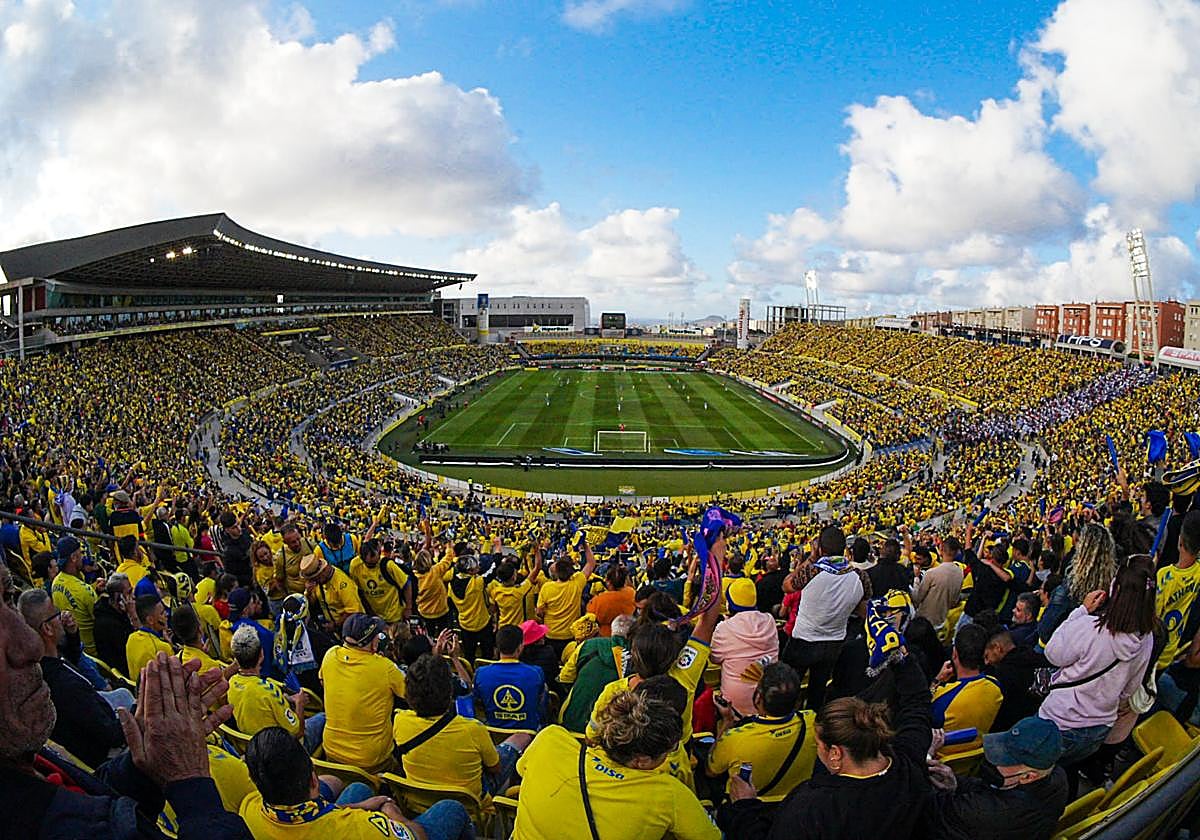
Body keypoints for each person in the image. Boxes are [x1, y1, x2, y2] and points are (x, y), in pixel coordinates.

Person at [0, 556, 251, 839]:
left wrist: (141, 767)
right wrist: (191, 784)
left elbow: (92, 795)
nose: (31, 644)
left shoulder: (23, 756)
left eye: (8, 597)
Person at [719, 655, 931, 840]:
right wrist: (900, 658)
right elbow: (917, 704)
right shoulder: (910, 764)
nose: (816, 747)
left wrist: (745, 806)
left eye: (818, 744)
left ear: (836, 753)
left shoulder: (812, 807)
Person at [513, 691, 720, 840]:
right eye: (670, 751)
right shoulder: (668, 794)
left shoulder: (551, 739)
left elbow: (521, 769)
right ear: (642, 760)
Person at [240, 727, 473, 840]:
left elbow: (310, 817)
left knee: (358, 789)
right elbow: (415, 837)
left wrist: (357, 807)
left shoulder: (247, 808)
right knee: (452, 809)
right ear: (313, 780)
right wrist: (391, 810)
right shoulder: (361, 830)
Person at [1039, 555, 1156, 767]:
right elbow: (1129, 689)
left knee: (1042, 769)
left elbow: (1052, 653)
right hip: (1099, 726)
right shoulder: (1146, 639)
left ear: (1116, 590)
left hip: (1061, 721)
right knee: (1067, 769)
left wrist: (1081, 611)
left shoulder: (1091, 627)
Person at [393, 654, 531, 802]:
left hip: (419, 800)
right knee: (523, 737)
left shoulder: (400, 720)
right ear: (450, 691)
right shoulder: (472, 729)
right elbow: (495, 768)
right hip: (469, 805)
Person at [18, 587, 127, 769]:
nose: (62, 618)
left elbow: (70, 659)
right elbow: (111, 734)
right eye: (56, 614)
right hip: (110, 758)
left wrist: (72, 634)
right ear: (47, 628)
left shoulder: (42, 663)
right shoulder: (66, 686)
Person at [924, 716, 1069, 840]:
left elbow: (925, 807)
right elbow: (988, 790)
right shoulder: (1057, 776)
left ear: (1028, 776)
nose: (992, 760)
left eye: (1004, 759)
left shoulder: (983, 812)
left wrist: (925, 758)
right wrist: (957, 784)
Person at [782, 525, 871, 711]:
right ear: (844, 549)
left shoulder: (812, 571)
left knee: (787, 687)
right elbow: (863, 611)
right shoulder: (861, 577)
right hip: (834, 643)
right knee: (817, 690)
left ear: (820, 548)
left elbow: (787, 585)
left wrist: (811, 558)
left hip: (803, 641)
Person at [706, 662, 816, 804]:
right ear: (798, 700)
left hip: (747, 808)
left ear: (758, 698)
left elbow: (711, 771)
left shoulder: (735, 738)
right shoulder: (812, 721)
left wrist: (727, 722)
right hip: (795, 801)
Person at [319, 613, 406, 772]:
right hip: (371, 761)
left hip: (331, 752)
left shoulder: (330, 655)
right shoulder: (384, 668)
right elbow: (413, 694)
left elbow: (323, 681)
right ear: (374, 643)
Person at [228, 625, 324, 755]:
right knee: (324, 717)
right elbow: (298, 732)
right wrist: (299, 704)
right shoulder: (269, 691)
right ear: (261, 654)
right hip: (282, 753)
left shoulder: (231, 684)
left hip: (254, 749)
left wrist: (285, 699)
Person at [930, 623, 1003, 756]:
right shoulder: (996, 687)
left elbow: (921, 715)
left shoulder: (942, 698)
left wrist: (937, 681)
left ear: (954, 654)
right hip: (974, 758)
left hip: (938, 760)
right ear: (985, 655)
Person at [710, 577, 779, 718]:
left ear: (730, 603)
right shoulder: (769, 620)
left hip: (734, 707)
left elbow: (714, 658)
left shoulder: (724, 628)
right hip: (769, 700)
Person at [559, 613, 633, 733]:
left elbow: (565, 678)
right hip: (609, 730)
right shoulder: (638, 656)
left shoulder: (587, 646)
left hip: (572, 719)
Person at [474, 624, 547, 730]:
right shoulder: (535, 672)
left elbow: (477, 701)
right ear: (520, 647)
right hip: (529, 733)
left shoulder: (481, 673)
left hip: (494, 731)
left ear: (497, 648)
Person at [537, 539, 598, 659]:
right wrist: (584, 543)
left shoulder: (547, 587)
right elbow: (591, 563)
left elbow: (539, 612)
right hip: (571, 634)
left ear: (557, 572)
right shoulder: (577, 582)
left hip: (551, 634)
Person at [50, 536, 99, 655]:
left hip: (75, 646)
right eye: (80, 554)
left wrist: (95, 587)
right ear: (73, 557)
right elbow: (100, 621)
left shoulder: (55, 582)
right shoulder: (84, 591)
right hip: (93, 650)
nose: (82, 557)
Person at [349, 537, 411, 628]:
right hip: (375, 616)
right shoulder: (355, 566)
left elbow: (407, 584)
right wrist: (369, 611)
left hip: (394, 615)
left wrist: (408, 608)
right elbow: (359, 591)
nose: (372, 566)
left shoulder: (388, 565)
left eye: (374, 563)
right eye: (369, 564)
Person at [301, 553, 363, 635]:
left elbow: (353, 611)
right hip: (335, 630)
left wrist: (335, 625)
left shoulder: (342, 584)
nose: (314, 582)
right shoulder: (317, 582)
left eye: (315, 579)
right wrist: (308, 593)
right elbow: (311, 603)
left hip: (353, 629)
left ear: (322, 572)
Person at [913, 537, 965, 633]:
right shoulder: (960, 572)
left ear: (941, 549)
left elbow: (917, 599)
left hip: (923, 623)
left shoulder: (932, 573)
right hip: (942, 622)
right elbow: (954, 601)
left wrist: (916, 578)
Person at [94, 572, 137, 673]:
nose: (133, 596)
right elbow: (136, 648)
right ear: (118, 596)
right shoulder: (108, 625)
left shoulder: (117, 612)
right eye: (129, 592)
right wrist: (133, 616)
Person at [126, 595, 175, 681]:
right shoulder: (162, 648)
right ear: (150, 620)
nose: (166, 615)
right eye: (162, 613)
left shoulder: (131, 638)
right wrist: (170, 645)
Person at [586, 563, 636, 636]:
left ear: (609, 582)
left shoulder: (600, 600)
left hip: (606, 636)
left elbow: (589, 616)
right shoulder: (631, 593)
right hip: (627, 633)